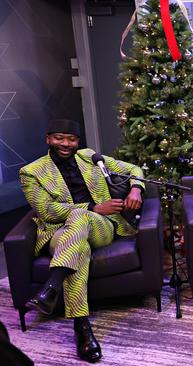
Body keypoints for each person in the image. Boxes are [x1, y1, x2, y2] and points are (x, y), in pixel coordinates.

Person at [19, 119, 145, 363]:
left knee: (80, 218)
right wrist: (93, 207)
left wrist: (136, 189)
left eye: (72, 139)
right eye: (59, 138)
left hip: (101, 226)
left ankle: (54, 289)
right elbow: (46, 211)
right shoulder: (31, 172)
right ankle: (82, 327)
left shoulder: (89, 157)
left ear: (78, 141)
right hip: (59, 233)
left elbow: (134, 169)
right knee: (79, 245)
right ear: (48, 139)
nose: (66, 144)